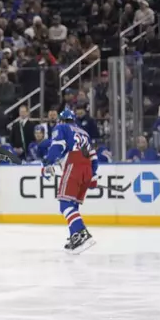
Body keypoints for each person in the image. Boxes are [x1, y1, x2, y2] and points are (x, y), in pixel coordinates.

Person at [41, 109, 98, 255]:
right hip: (87, 168)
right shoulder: (84, 133)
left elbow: (57, 146)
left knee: (64, 204)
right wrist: (93, 175)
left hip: (74, 164)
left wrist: (48, 163)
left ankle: (82, 232)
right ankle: (76, 236)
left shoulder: (61, 127)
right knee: (73, 204)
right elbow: (93, 156)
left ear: (61, 120)